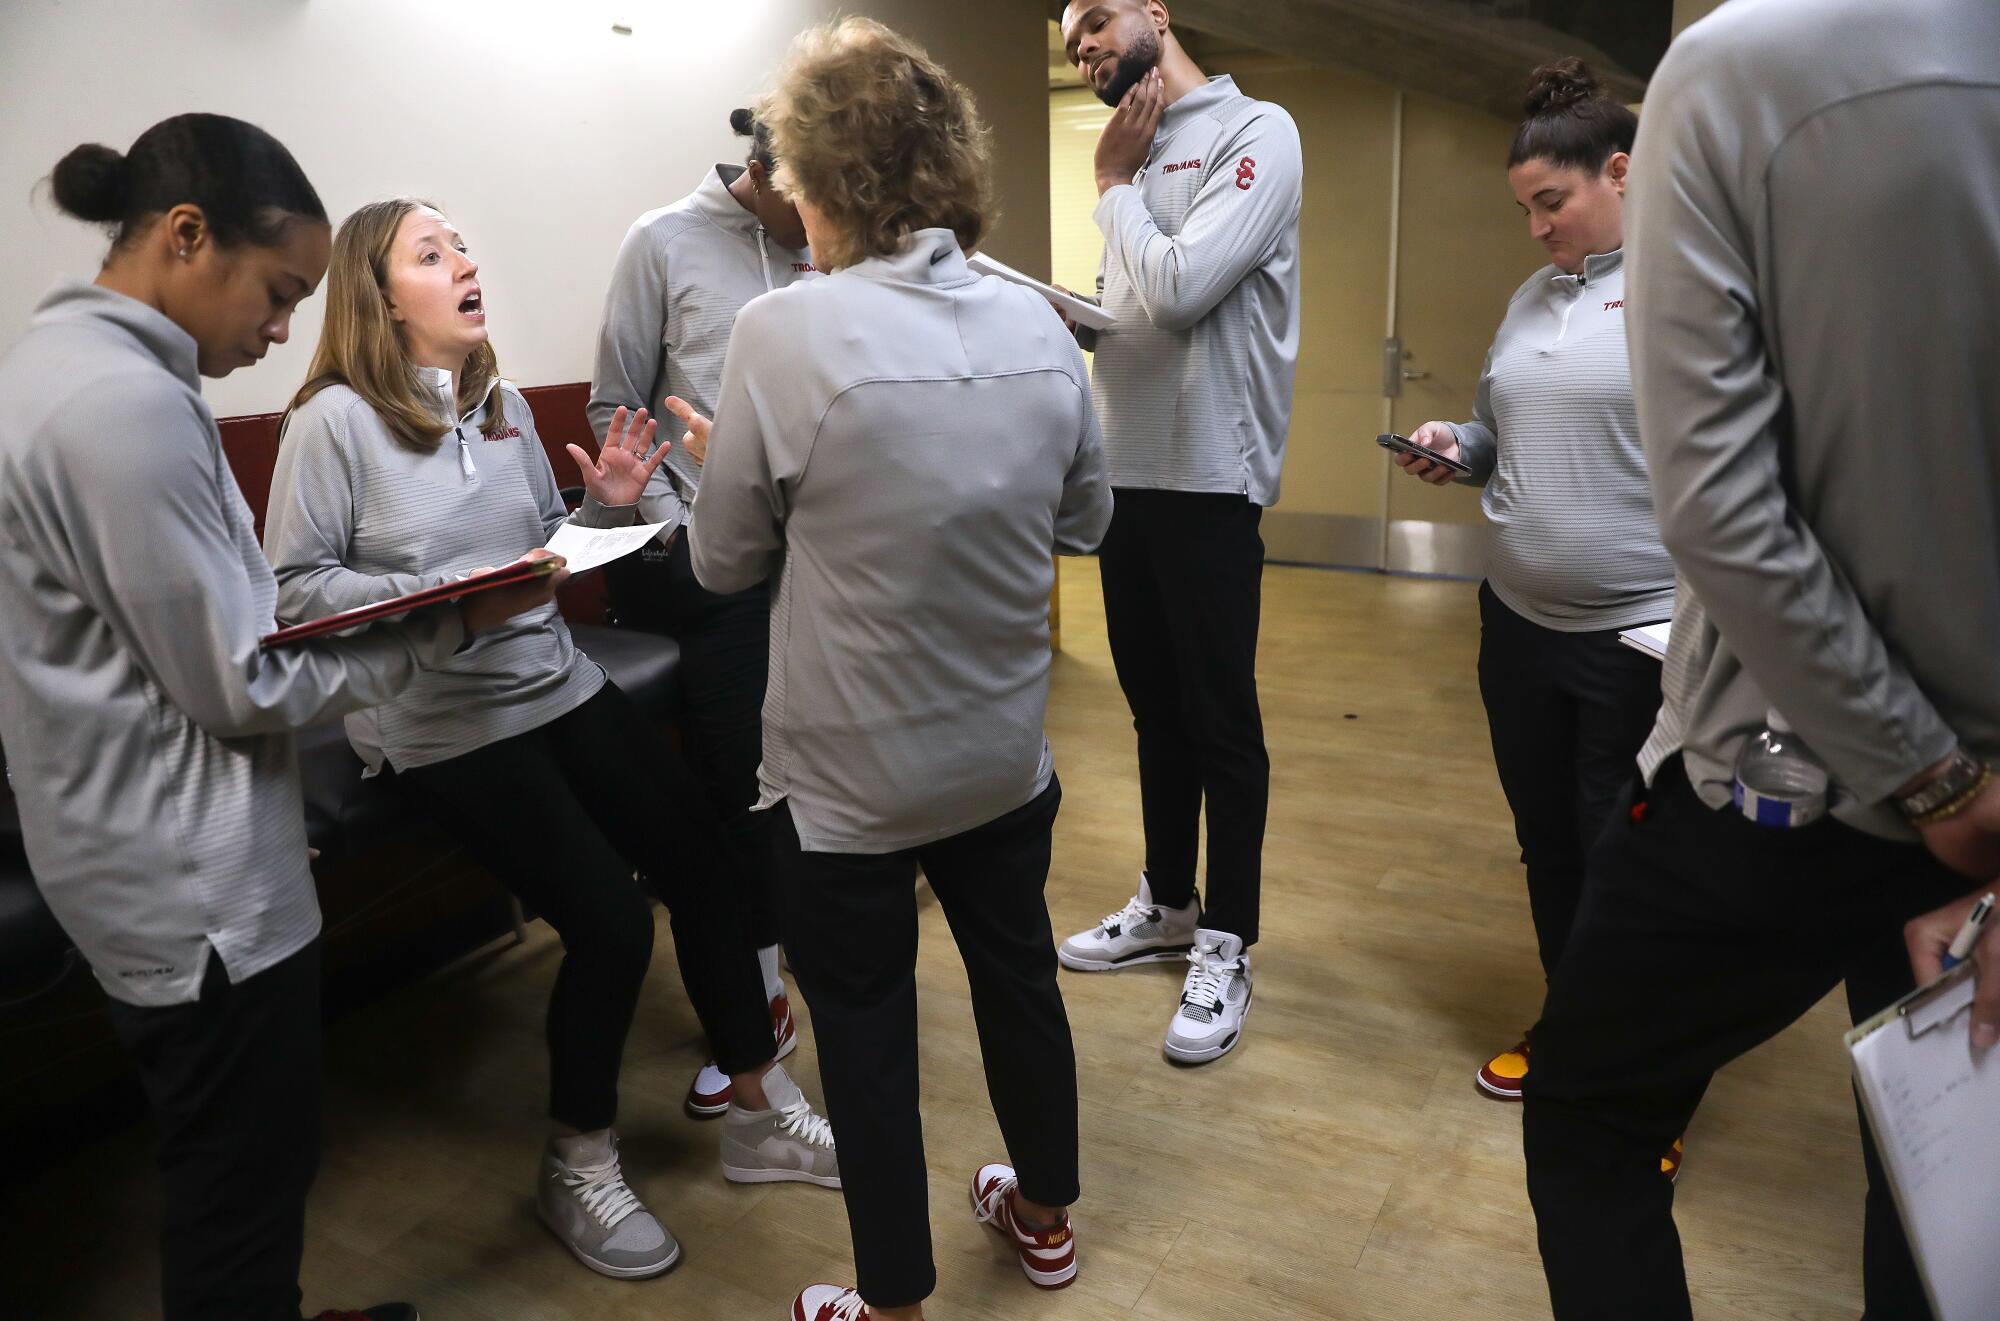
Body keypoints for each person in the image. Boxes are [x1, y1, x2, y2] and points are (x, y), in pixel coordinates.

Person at [0, 115, 563, 1321]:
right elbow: (244, 680)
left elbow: (136, 662)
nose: (277, 331)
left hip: (133, 847)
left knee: (231, 1167)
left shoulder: (51, 373)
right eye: (275, 293)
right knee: (238, 1187)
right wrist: (449, 621)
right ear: (185, 235)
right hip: (194, 895)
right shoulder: (126, 412)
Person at [1522, 1, 2000, 1316]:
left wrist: (1941, 783)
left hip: (1795, 778)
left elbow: (1723, 510)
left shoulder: (1736, 70)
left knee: (1592, 1116)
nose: (1540, 222)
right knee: (1946, 1178)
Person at [263, 198, 837, 1283]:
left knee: (710, 863)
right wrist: (452, 601)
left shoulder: (504, 406)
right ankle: (576, 1158)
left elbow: (544, 559)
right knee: (612, 921)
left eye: (463, 243)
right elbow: (293, 595)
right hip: (438, 723)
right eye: (431, 254)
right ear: (379, 298)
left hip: (550, 682)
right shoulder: (330, 423)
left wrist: (607, 510)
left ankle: (758, 1106)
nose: (465, 260)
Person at [668, 19, 1112, 1320]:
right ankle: (1043, 1216)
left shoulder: (783, 333)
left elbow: (724, 565)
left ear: (825, 183)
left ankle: (896, 1302)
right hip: (999, 757)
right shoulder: (1040, 327)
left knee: (864, 1026)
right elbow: (1085, 523)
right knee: (1019, 981)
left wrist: (740, 471)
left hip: (846, 788)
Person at [1393, 60, 1672, 1106]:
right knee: (1546, 842)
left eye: (1548, 203)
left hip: (1634, 636)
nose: (1535, 228)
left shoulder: (1679, 293)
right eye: (1523, 209)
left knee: (1620, 859)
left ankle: (1637, 1074)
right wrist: (1449, 446)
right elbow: (1495, 436)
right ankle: (1572, 1027)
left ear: (1618, 173)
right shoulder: (1527, 298)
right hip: (1515, 625)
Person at [1051, 0, 1302, 1065]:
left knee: (1217, 718)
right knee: (1154, 712)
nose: (1084, 47)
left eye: (1096, 20)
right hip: (1129, 476)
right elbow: (1139, 308)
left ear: (1155, 12)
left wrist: (1111, 187)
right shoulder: (1133, 144)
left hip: (1209, 478)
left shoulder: (1259, 133)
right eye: (1069, 43)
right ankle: (1164, 900)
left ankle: (1226, 935)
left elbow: (1187, 287)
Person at [588, 106, 817, 1119]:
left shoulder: (829, 245)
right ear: (762, 170)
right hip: (692, 552)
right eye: (806, 199)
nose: (821, 222)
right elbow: (611, 405)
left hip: (803, 545)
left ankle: (795, 953)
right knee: (743, 762)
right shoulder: (663, 241)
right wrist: (690, 523)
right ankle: (759, 998)